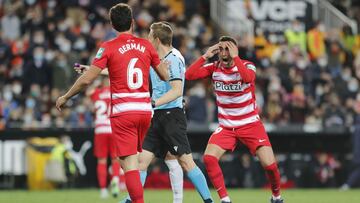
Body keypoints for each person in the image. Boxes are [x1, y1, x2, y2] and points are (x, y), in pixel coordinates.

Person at [56, 3, 169, 203]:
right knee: (128, 161)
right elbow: (164, 75)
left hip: (124, 112)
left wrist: (66, 96)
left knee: (129, 165)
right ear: (133, 22)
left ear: (112, 25)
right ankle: (132, 197)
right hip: (144, 112)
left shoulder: (108, 47)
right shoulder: (146, 45)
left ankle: (136, 200)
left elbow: (87, 80)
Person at [121, 21, 213, 203]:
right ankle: (131, 200)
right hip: (156, 117)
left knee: (186, 162)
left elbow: (177, 90)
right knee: (141, 162)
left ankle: (209, 200)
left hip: (172, 116)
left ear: (156, 39)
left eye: (149, 34)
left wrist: (154, 101)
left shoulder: (174, 59)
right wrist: (94, 71)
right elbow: (127, 71)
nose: (147, 37)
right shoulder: (153, 58)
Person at [185, 36, 284, 203]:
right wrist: (206, 55)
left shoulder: (247, 65)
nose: (223, 52)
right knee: (209, 158)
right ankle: (225, 200)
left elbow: (248, 78)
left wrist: (236, 57)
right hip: (226, 127)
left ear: (234, 50)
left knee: (270, 165)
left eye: (227, 49)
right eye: (221, 49)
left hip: (250, 124)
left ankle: (276, 197)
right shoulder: (214, 67)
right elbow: (189, 75)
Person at [87, 77, 121, 198]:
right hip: (113, 128)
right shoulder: (115, 91)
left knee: (101, 160)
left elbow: (88, 92)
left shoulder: (97, 93)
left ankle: (103, 190)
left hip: (100, 129)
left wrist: (96, 83)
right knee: (115, 159)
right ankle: (116, 179)